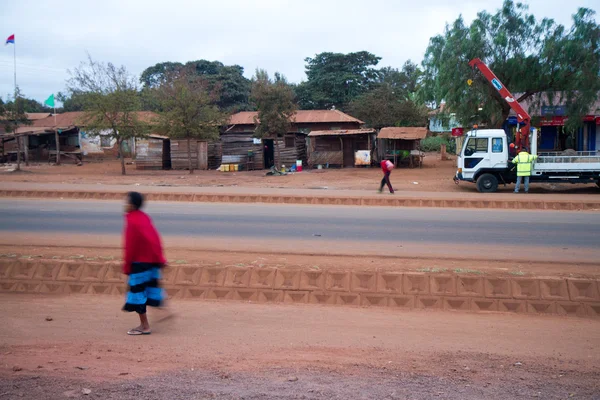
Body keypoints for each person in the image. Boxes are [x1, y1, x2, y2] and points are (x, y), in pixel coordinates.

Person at [122, 191, 167, 335]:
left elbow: (130, 246)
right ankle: (158, 313)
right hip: (151, 262)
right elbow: (155, 239)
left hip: (139, 263)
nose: (125, 204)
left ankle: (144, 326)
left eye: (127, 202)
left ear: (133, 204)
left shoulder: (131, 220)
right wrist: (160, 259)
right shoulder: (144, 218)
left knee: (137, 295)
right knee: (148, 290)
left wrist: (127, 265)